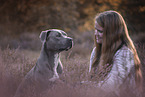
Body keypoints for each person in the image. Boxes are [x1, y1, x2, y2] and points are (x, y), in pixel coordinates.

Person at [89, 10, 143, 96]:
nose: (96, 34)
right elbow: (92, 82)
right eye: (95, 29)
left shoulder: (125, 54)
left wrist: (81, 84)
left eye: (100, 31)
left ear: (112, 33)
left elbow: (110, 86)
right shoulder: (95, 51)